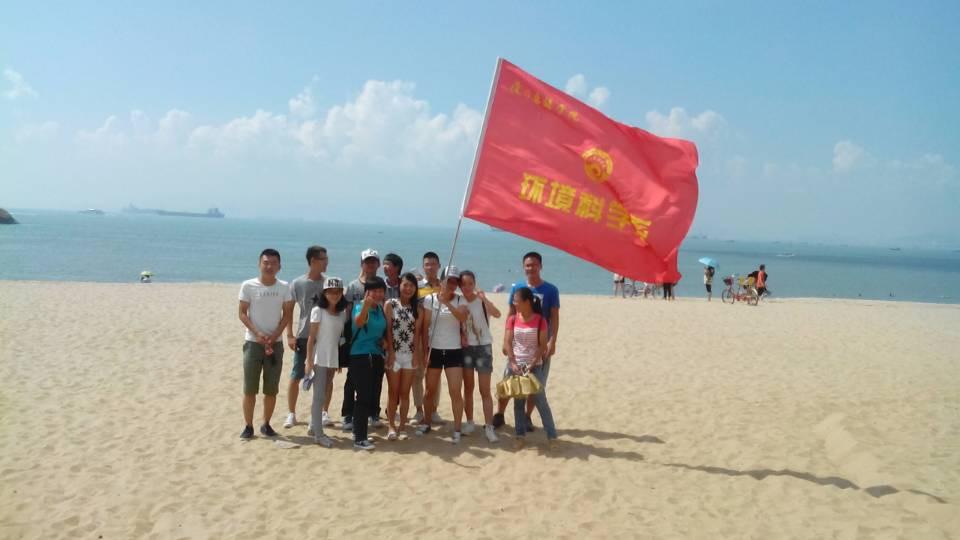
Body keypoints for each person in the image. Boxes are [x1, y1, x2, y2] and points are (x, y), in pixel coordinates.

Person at [493, 252, 560, 432]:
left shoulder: (551, 290)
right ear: (523, 267)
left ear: (541, 266)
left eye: (534, 265)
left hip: (540, 344)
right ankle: (499, 414)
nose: (531, 268)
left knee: (534, 383)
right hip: (518, 344)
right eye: (528, 265)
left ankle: (527, 416)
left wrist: (552, 341)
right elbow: (511, 313)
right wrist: (505, 341)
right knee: (508, 380)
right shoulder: (518, 288)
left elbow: (554, 317)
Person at [238, 249, 294, 439]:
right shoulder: (248, 285)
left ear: (279, 266)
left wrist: (275, 335)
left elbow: (287, 314)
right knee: (249, 388)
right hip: (253, 343)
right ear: (259, 264)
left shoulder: (284, 287)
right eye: (266, 262)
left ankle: (266, 424)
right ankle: (248, 426)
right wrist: (258, 333)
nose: (269, 266)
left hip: (275, 344)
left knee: (271, 389)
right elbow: (242, 313)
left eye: (273, 263)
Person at [417, 266, 468, 443]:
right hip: (435, 350)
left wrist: (447, 303)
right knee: (429, 390)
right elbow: (425, 328)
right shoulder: (429, 299)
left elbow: (462, 318)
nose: (452, 284)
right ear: (442, 280)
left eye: (455, 281)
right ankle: (426, 422)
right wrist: (425, 352)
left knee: (455, 391)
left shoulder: (460, 299)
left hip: (454, 351)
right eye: (449, 280)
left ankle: (457, 429)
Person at [505, 287, 558, 448]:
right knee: (518, 402)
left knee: (540, 400)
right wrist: (513, 362)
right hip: (517, 366)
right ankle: (520, 436)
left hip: (534, 367)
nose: (514, 303)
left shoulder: (540, 320)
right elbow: (507, 342)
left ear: (527, 302)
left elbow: (542, 345)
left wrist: (532, 364)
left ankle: (552, 437)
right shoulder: (512, 319)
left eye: (516, 301)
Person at [283, 246, 328, 429]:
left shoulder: (328, 283)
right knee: (296, 375)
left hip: (324, 337)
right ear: (313, 261)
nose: (326, 262)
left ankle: (323, 412)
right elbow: (288, 309)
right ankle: (291, 413)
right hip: (303, 335)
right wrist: (289, 335)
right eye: (323, 258)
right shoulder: (297, 283)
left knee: (325, 378)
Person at [347, 276, 392, 451]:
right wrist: (365, 306)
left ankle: (359, 431)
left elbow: (380, 331)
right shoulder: (360, 306)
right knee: (363, 396)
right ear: (367, 292)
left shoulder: (380, 309)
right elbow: (358, 322)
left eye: (381, 291)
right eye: (374, 291)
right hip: (361, 356)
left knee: (372, 395)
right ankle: (360, 438)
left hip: (376, 355)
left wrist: (384, 342)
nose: (378, 294)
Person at [304, 276, 348, 447]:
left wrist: (338, 362)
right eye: (330, 292)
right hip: (319, 357)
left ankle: (313, 425)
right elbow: (311, 338)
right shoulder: (318, 311)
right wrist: (309, 361)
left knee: (325, 391)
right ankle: (319, 435)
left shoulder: (342, 313)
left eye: (337, 292)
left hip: (332, 357)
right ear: (324, 293)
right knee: (319, 396)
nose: (334, 295)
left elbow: (338, 338)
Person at [341, 248, 381, 432]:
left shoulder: (380, 285)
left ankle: (373, 412)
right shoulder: (353, 286)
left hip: (376, 339)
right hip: (356, 338)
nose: (370, 264)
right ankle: (348, 414)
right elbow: (348, 312)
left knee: (376, 378)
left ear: (378, 264)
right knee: (352, 379)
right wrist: (345, 335)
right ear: (362, 264)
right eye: (367, 261)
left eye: (373, 261)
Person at [459, 270, 502, 443]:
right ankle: (470, 422)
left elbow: (497, 314)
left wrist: (485, 299)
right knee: (468, 388)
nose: (467, 287)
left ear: (475, 283)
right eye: (464, 284)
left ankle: (489, 427)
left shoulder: (481, 301)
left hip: (484, 347)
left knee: (485, 390)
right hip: (466, 348)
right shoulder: (459, 301)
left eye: (470, 283)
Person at [383, 272, 421, 440]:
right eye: (405, 285)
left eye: (412, 286)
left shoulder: (418, 308)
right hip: (394, 354)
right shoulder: (390, 304)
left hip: (410, 355)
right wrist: (391, 352)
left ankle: (403, 426)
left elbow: (417, 334)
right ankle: (391, 426)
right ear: (400, 285)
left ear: (415, 289)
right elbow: (388, 330)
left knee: (405, 393)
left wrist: (416, 355)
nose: (408, 288)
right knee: (393, 392)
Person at [414, 251, 443, 424]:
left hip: (439, 336)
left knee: (435, 376)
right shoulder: (417, 286)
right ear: (423, 267)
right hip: (419, 336)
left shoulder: (443, 286)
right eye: (427, 264)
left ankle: (433, 410)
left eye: (433, 264)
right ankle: (419, 410)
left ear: (439, 266)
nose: (430, 267)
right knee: (418, 374)